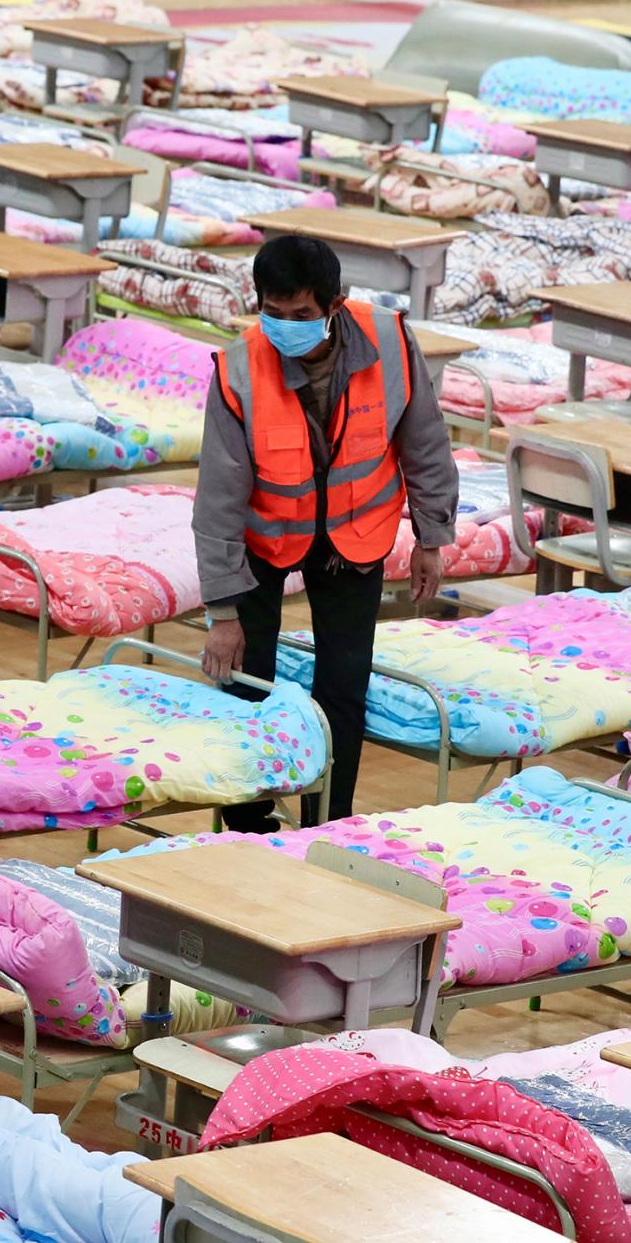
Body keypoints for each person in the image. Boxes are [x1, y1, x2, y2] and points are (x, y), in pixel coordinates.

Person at [194, 234, 459, 831]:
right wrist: (223, 611)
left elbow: (424, 440)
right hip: (265, 537)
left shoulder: (389, 342)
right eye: (274, 313)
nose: (286, 327)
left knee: (341, 690)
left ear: (336, 305)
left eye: (303, 316)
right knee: (245, 683)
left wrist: (432, 536)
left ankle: (326, 823)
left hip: (354, 532)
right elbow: (217, 497)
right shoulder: (239, 366)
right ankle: (247, 828)